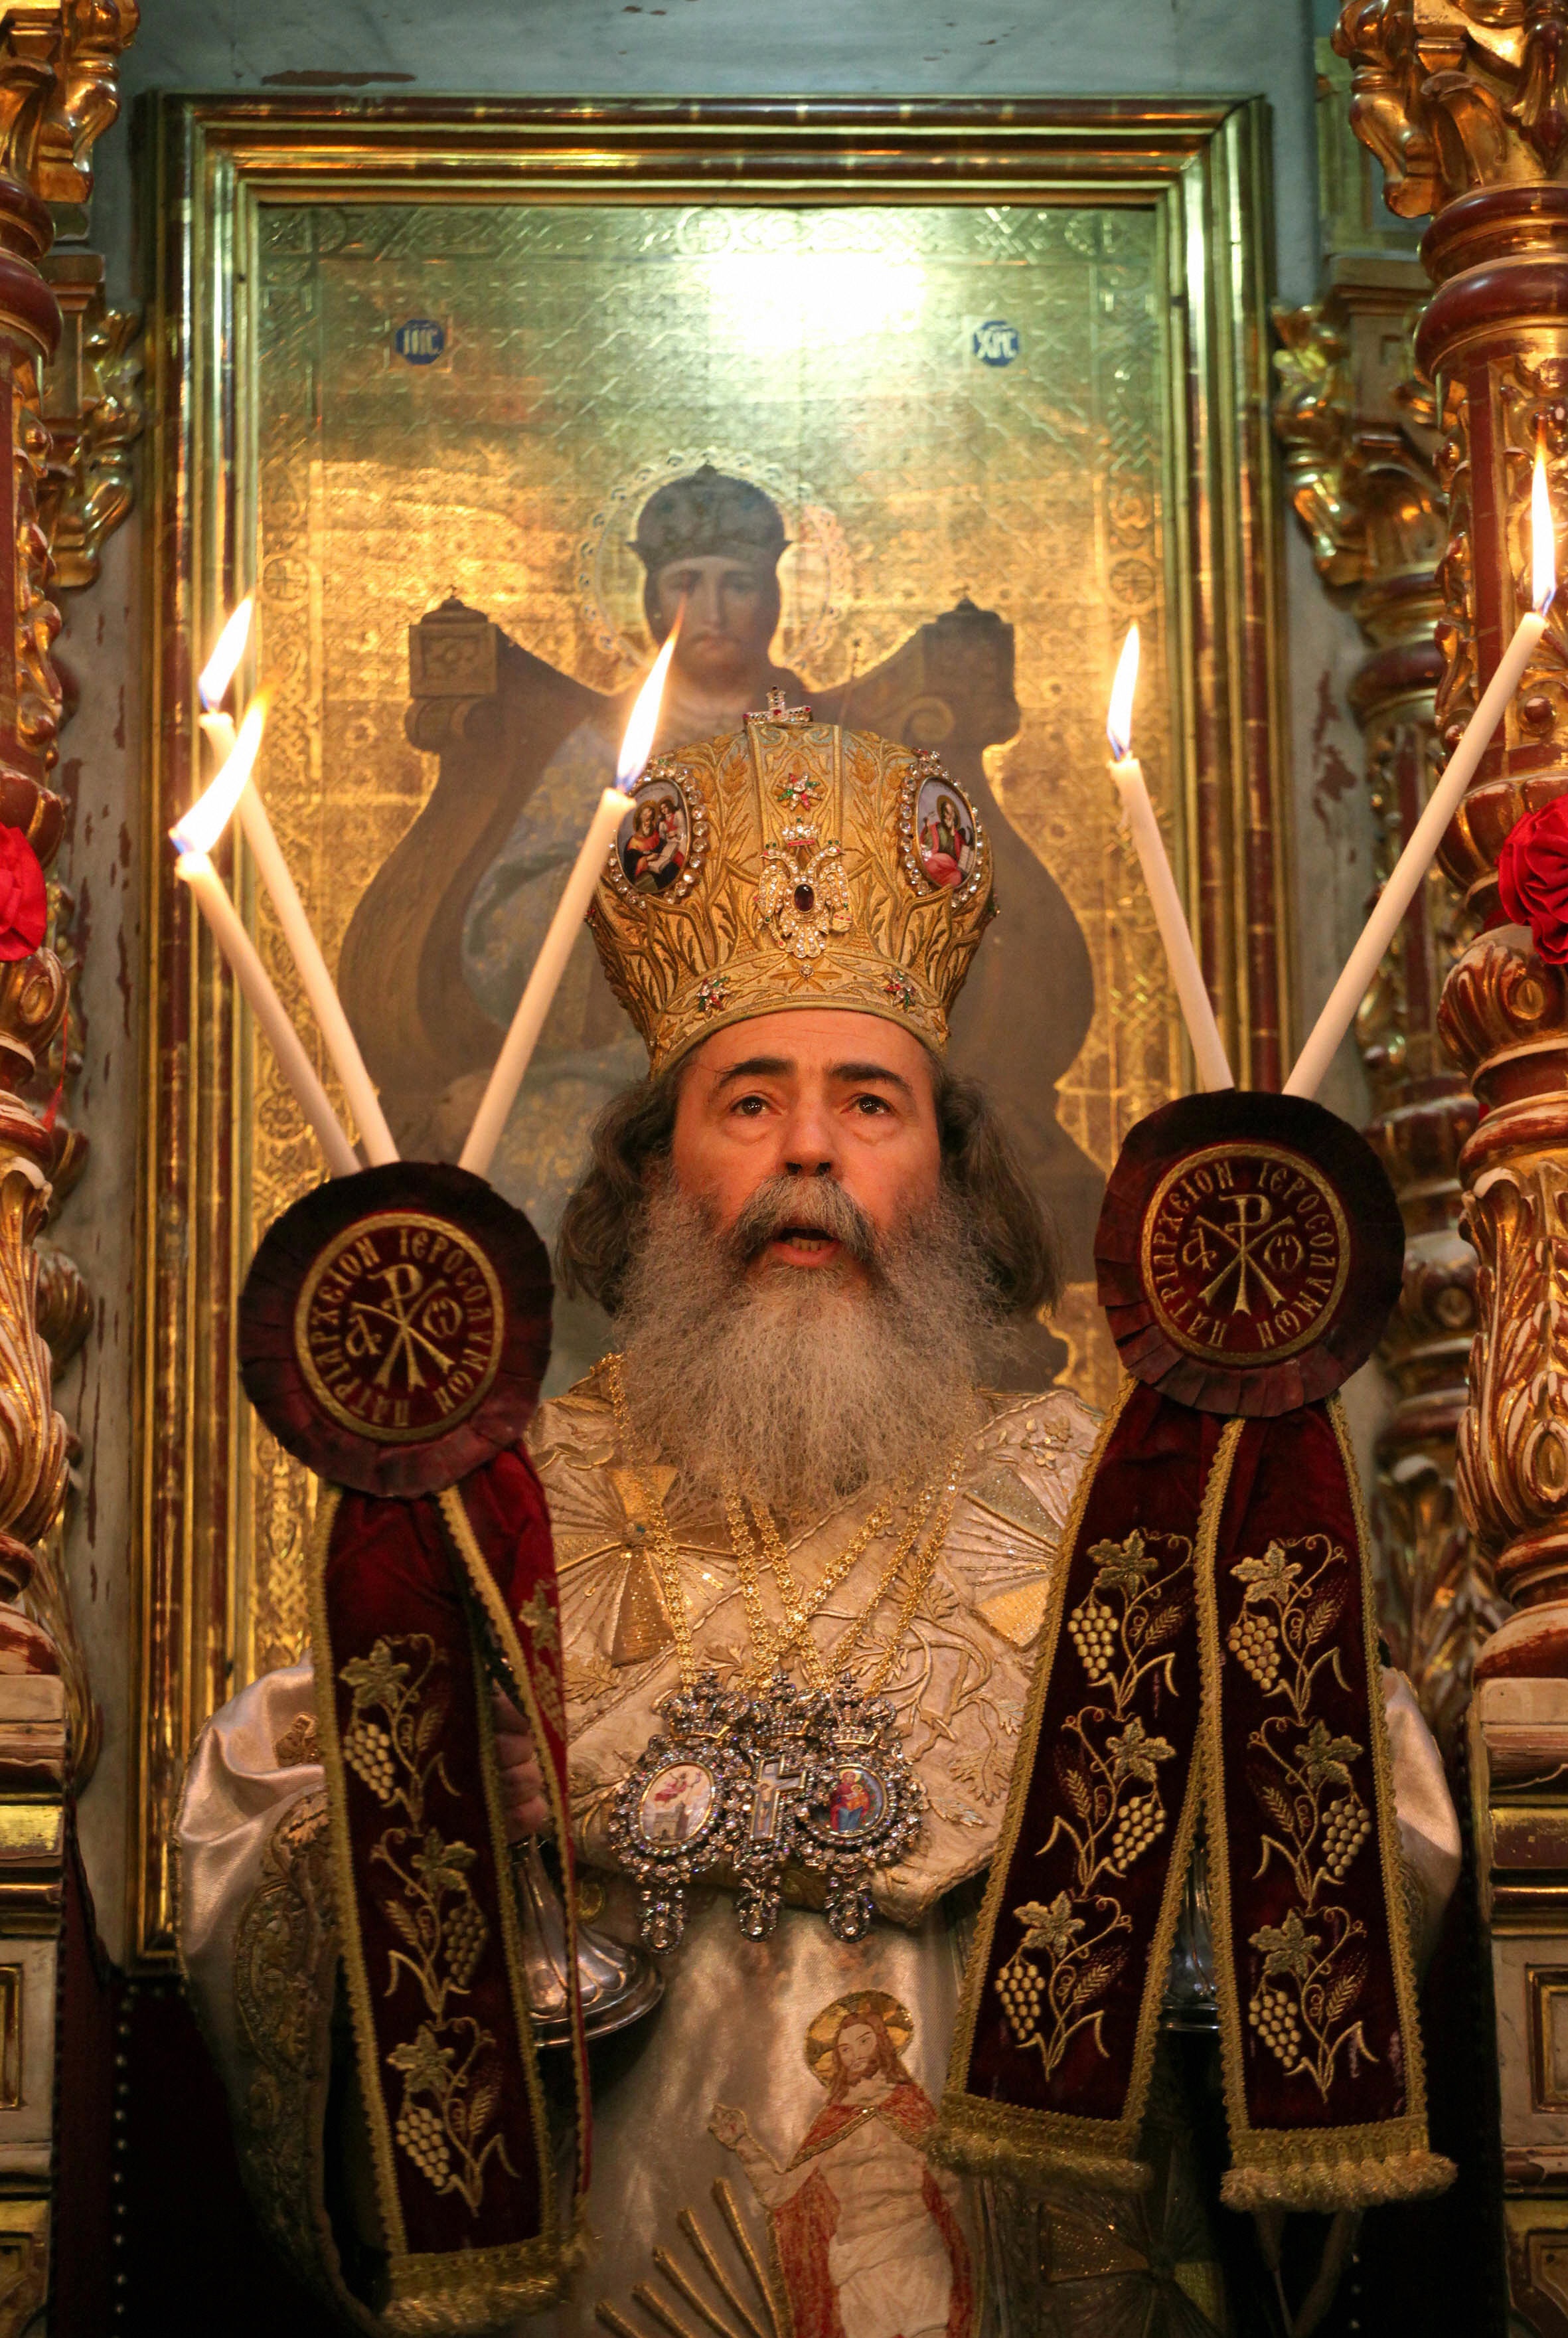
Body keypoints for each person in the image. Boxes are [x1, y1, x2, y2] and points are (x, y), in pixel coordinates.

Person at [177, 711, 1460, 2338]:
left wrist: (1208, 1790)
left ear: (943, 1171)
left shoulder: (1111, 1507)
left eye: (868, 1103)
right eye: (746, 1103)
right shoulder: (501, 1527)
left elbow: (1376, 1838)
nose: (807, 1150)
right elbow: (260, 1870)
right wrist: (420, 1789)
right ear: (654, 1178)